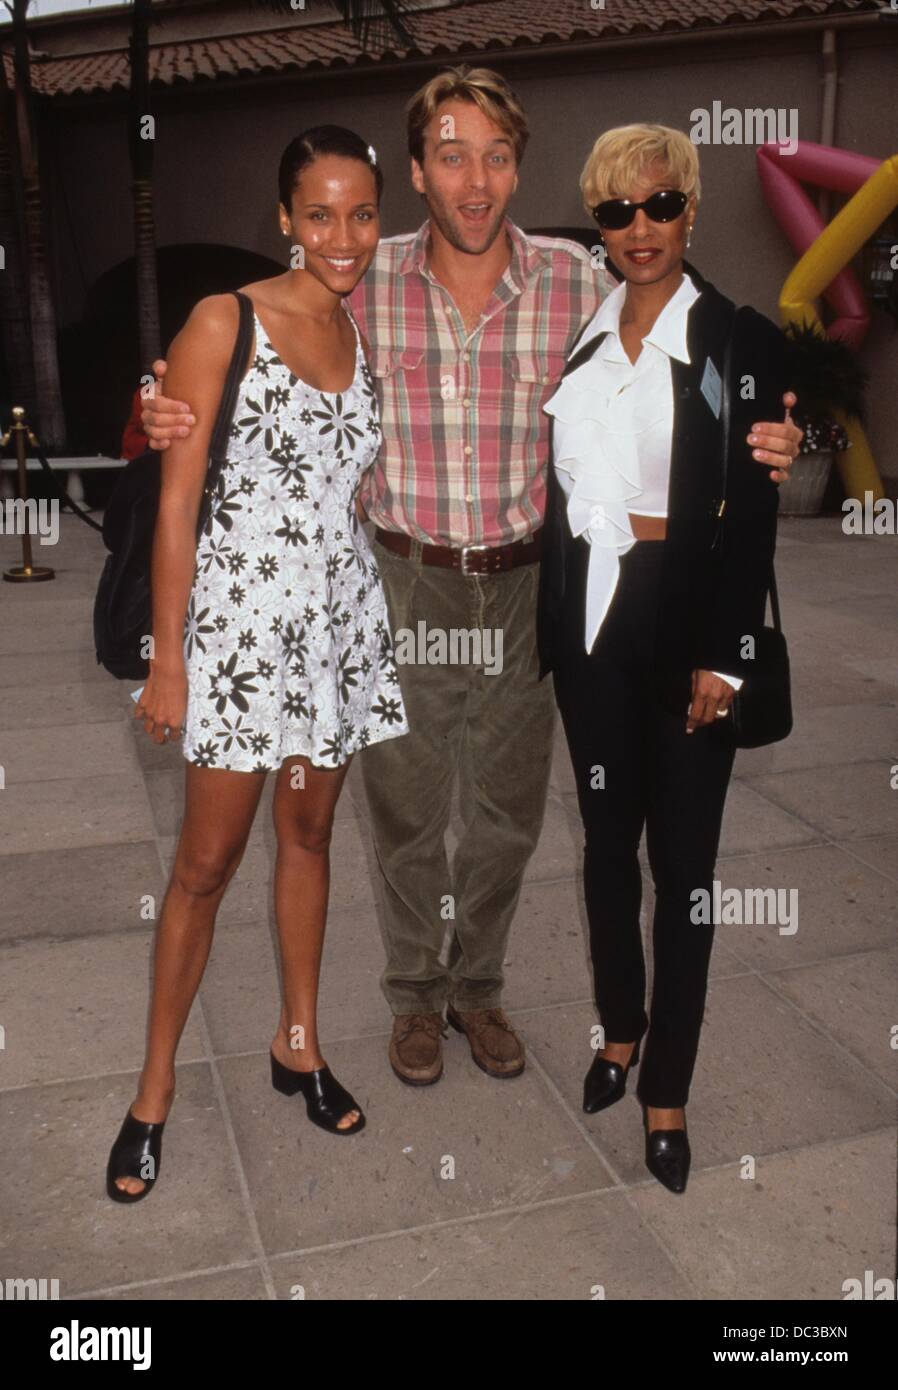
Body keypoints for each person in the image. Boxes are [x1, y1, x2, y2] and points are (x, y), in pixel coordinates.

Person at [141, 68, 801, 1095]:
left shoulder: (582, 282)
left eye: (496, 154)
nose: (476, 178)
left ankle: (477, 987)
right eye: (451, 154)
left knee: (504, 814)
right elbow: (249, 352)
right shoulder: (359, 277)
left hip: (531, 581)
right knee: (403, 812)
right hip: (401, 583)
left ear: (518, 165)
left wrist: (786, 423)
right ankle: (413, 997)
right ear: (416, 171)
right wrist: (155, 405)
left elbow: (705, 344)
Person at [106, 126, 409, 1203]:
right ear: (284, 217)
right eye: (319, 213)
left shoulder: (362, 328)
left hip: (332, 625)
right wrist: (170, 662)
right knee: (204, 863)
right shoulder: (221, 319)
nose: (342, 235)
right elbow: (177, 501)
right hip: (237, 635)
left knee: (310, 834)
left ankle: (297, 1042)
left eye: (362, 213)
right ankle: (152, 1093)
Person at [537, 123, 790, 1193]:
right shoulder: (584, 341)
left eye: (657, 206)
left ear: (688, 208)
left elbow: (754, 517)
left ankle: (667, 1088)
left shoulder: (736, 338)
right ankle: (619, 1031)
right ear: (596, 224)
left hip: (688, 625)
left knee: (683, 871)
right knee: (604, 849)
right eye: (613, 211)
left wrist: (726, 658)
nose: (637, 229)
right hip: (593, 623)